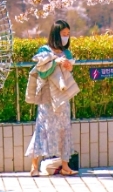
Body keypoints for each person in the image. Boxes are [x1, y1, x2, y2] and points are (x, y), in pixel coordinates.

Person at [25, 19, 79, 177]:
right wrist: (55, 62)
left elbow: (68, 72)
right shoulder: (44, 51)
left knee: (64, 129)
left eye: (68, 34)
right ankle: (34, 166)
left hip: (62, 96)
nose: (66, 37)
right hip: (47, 97)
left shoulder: (67, 53)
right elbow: (42, 72)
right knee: (42, 129)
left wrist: (69, 65)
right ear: (56, 34)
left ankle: (65, 165)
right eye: (63, 34)